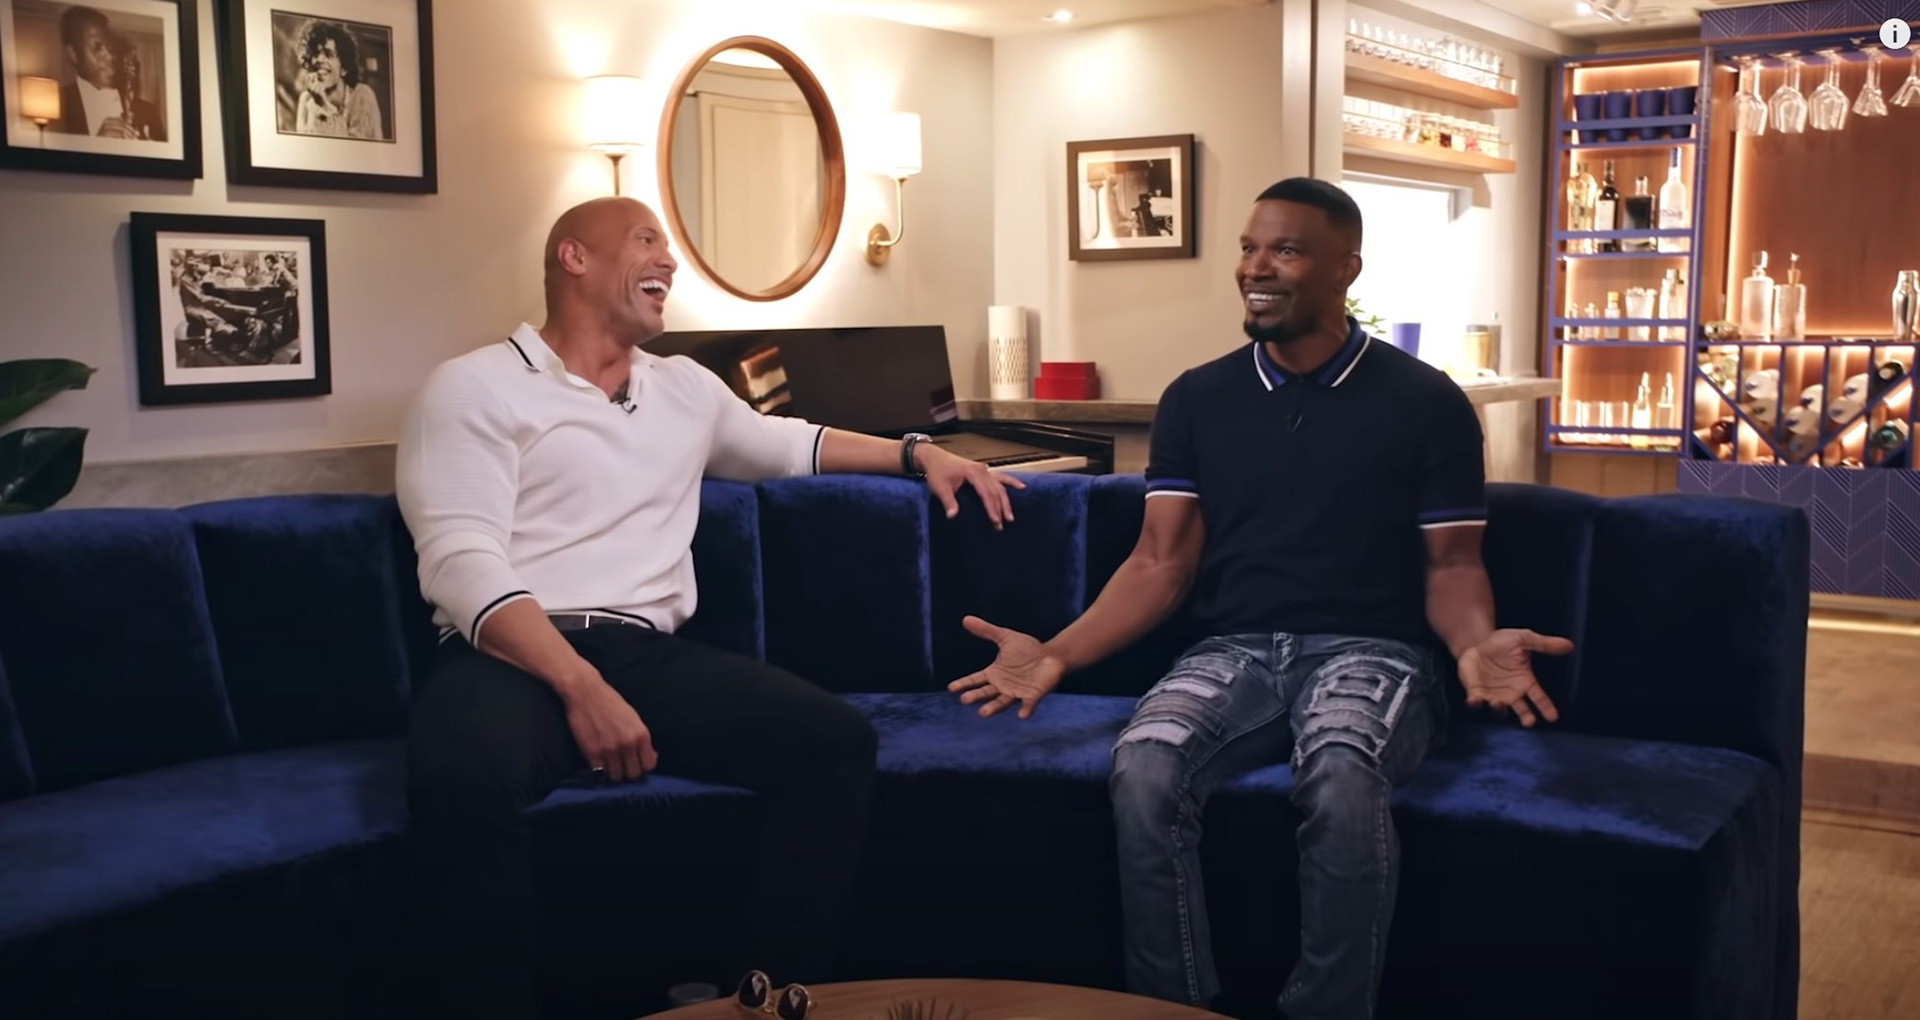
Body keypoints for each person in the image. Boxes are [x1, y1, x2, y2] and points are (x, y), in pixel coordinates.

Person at [948, 178, 1573, 1020]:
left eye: (1286, 250)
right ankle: (1170, 1008)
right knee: (1144, 764)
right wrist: (1057, 652)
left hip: (1376, 650)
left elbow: (1453, 564)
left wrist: (1471, 646)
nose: (1256, 268)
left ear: (1346, 268)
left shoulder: (1427, 403)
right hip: (1234, 652)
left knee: (1343, 771)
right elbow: (1160, 562)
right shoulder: (1198, 399)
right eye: (1249, 248)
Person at [394, 195, 1022, 1020]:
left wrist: (920, 452)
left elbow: (792, 444)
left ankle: (765, 1000)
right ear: (574, 256)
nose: (668, 259)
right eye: (645, 239)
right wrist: (581, 687)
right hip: (507, 653)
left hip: (644, 653)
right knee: (458, 777)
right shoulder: (473, 385)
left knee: (833, 744)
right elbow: (460, 562)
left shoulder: (684, 387)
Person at [53, 5, 165, 141]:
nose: (110, 56)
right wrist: (95, 145)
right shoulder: (55, 104)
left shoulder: (148, 111)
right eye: (97, 47)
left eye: (110, 47)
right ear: (73, 55)